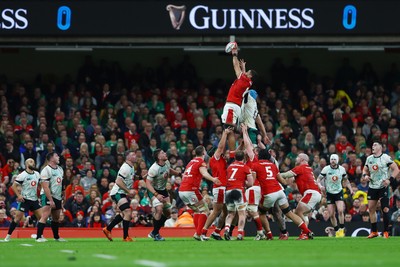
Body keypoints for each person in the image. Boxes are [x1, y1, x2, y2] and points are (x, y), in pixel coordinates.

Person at [252, 149, 314, 240]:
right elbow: (283, 181)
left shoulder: (255, 165)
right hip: (280, 191)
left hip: (269, 193)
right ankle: (307, 231)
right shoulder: (273, 165)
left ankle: (269, 235)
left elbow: (252, 181)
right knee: (289, 213)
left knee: (261, 212)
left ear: (259, 156)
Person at [221, 44, 257, 158]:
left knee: (229, 129)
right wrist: (244, 69)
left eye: (247, 72)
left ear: (249, 75)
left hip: (232, 106)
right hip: (235, 106)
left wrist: (234, 54)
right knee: (229, 129)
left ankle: (232, 155)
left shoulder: (244, 79)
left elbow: (235, 66)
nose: (245, 72)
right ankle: (233, 152)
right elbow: (242, 75)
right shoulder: (247, 82)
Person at [178, 145, 221, 241]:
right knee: (205, 211)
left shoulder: (191, 161)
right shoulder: (201, 162)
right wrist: (213, 179)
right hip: (191, 190)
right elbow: (204, 173)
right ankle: (198, 234)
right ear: (203, 153)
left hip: (182, 191)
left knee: (197, 211)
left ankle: (198, 233)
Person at [363, 140, 399, 238]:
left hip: (383, 186)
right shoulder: (369, 158)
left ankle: (386, 232)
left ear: (380, 147)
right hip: (372, 186)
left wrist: (389, 180)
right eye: (372, 145)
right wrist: (365, 176)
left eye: (375, 145)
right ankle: (374, 231)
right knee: (371, 209)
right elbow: (365, 170)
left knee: (385, 209)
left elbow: (396, 169)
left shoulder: (386, 158)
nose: (372, 146)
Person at [280, 153, 322, 238]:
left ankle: (305, 234)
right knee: (303, 214)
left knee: (298, 211)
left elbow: (286, 175)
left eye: (298, 158)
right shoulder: (308, 168)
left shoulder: (301, 167)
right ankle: (305, 233)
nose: (296, 159)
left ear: (302, 160)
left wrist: (275, 175)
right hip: (314, 193)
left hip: (311, 193)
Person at [201, 128, 231, 240]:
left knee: (225, 211)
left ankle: (217, 232)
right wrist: (225, 134)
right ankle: (203, 233)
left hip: (221, 187)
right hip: (219, 187)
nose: (223, 152)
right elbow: (220, 147)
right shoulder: (215, 158)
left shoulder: (220, 159)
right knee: (216, 211)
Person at [3, 158, 42, 242]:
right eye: (31, 162)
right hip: (25, 200)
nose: (33, 163)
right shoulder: (22, 175)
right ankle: (8, 236)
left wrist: (41, 193)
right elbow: (13, 186)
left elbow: (39, 185)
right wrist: (19, 195)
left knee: (41, 218)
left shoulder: (37, 174)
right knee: (17, 219)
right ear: (26, 164)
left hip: (34, 199)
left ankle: (39, 236)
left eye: (34, 162)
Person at [146, 149, 181, 241]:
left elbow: (169, 170)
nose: (165, 153)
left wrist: (179, 174)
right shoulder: (154, 169)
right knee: (159, 208)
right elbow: (148, 183)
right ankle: (156, 234)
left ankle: (154, 232)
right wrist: (156, 194)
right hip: (153, 190)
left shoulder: (167, 162)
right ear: (159, 157)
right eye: (162, 153)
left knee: (168, 212)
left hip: (163, 190)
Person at [102, 151, 136, 242]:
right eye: (133, 155)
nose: (135, 156)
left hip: (121, 193)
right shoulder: (125, 168)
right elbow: (118, 181)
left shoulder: (131, 167)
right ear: (128, 157)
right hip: (117, 192)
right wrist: (128, 191)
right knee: (128, 212)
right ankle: (125, 237)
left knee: (124, 214)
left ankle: (108, 229)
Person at [317, 154, 353, 238]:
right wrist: (320, 186)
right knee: (331, 214)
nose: (333, 161)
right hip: (329, 193)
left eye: (334, 159)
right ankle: (336, 230)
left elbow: (346, 181)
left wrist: (350, 189)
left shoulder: (342, 169)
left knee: (340, 210)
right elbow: (318, 180)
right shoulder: (326, 169)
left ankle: (341, 229)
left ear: (337, 160)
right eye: (331, 159)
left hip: (338, 192)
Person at [35, 152, 66, 242]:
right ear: (51, 158)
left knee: (56, 217)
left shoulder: (60, 169)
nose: (58, 157)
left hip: (57, 196)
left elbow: (62, 183)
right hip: (47, 195)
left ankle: (56, 237)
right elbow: (45, 187)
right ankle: (39, 237)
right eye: (56, 156)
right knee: (45, 215)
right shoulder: (46, 170)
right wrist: (50, 200)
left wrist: (63, 194)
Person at [223, 149, 253, 241]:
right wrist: (244, 182)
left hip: (228, 191)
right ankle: (240, 234)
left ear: (235, 157)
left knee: (231, 213)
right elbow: (250, 183)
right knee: (242, 214)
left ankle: (226, 229)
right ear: (243, 158)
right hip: (238, 190)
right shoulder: (245, 167)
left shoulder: (230, 167)